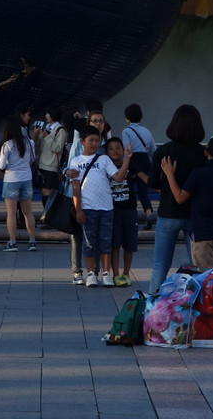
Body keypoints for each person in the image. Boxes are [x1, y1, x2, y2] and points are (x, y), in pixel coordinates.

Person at [149, 104, 207, 294]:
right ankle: (196, 304)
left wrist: (167, 185)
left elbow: (151, 181)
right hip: (194, 215)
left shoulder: (163, 151)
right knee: (197, 266)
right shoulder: (203, 154)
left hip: (168, 212)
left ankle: (153, 306)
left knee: (160, 266)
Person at [160, 135, 213, 272]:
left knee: (203, 275)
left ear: (206, 153)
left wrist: (170, 174)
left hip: (202, 232)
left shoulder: (198, 174)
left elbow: (180, 198)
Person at [68, 126, 114, 287]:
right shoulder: (76, 161)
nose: (94, 144)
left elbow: (117, 176)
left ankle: (106, 274)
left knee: (105, 242)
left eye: (97, 140)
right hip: (87, 207)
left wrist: (127, 159)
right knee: (89, 243)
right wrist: (78, 209)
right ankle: (90, 274)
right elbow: (75, 187)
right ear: (82, 141)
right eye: (91, 140)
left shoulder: (104, 159)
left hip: (106, 207)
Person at [104, 136, 146, 286]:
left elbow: (145, 178)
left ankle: (126, 274)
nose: (115, 151)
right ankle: (116, 274)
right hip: (113, 210)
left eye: (118, 147)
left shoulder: (130, 164)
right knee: (115, 244)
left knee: (129, 244)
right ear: (106, 152)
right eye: (111, 148)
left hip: (130, 209)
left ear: (123, 150)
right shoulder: (105, 166)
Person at [0, 115, 38, 251]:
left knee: (11, 213)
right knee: (28, 212)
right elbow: (32, 159)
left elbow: (1, 166)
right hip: (26, 178)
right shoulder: (29, 142)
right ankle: (32, 241)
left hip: (11, 179)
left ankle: (13, 242)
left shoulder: (7, 145)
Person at [121, 104, 156, 226]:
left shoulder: (126, 131)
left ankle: (132, 217)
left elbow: (126, 149)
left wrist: (124, 164)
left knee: (130, 190)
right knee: (143, 192)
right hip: (145, 161)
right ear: (141, 116)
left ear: (127, 118)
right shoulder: (147, 131)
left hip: (132, 161)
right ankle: (149, 214)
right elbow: (153, 151)